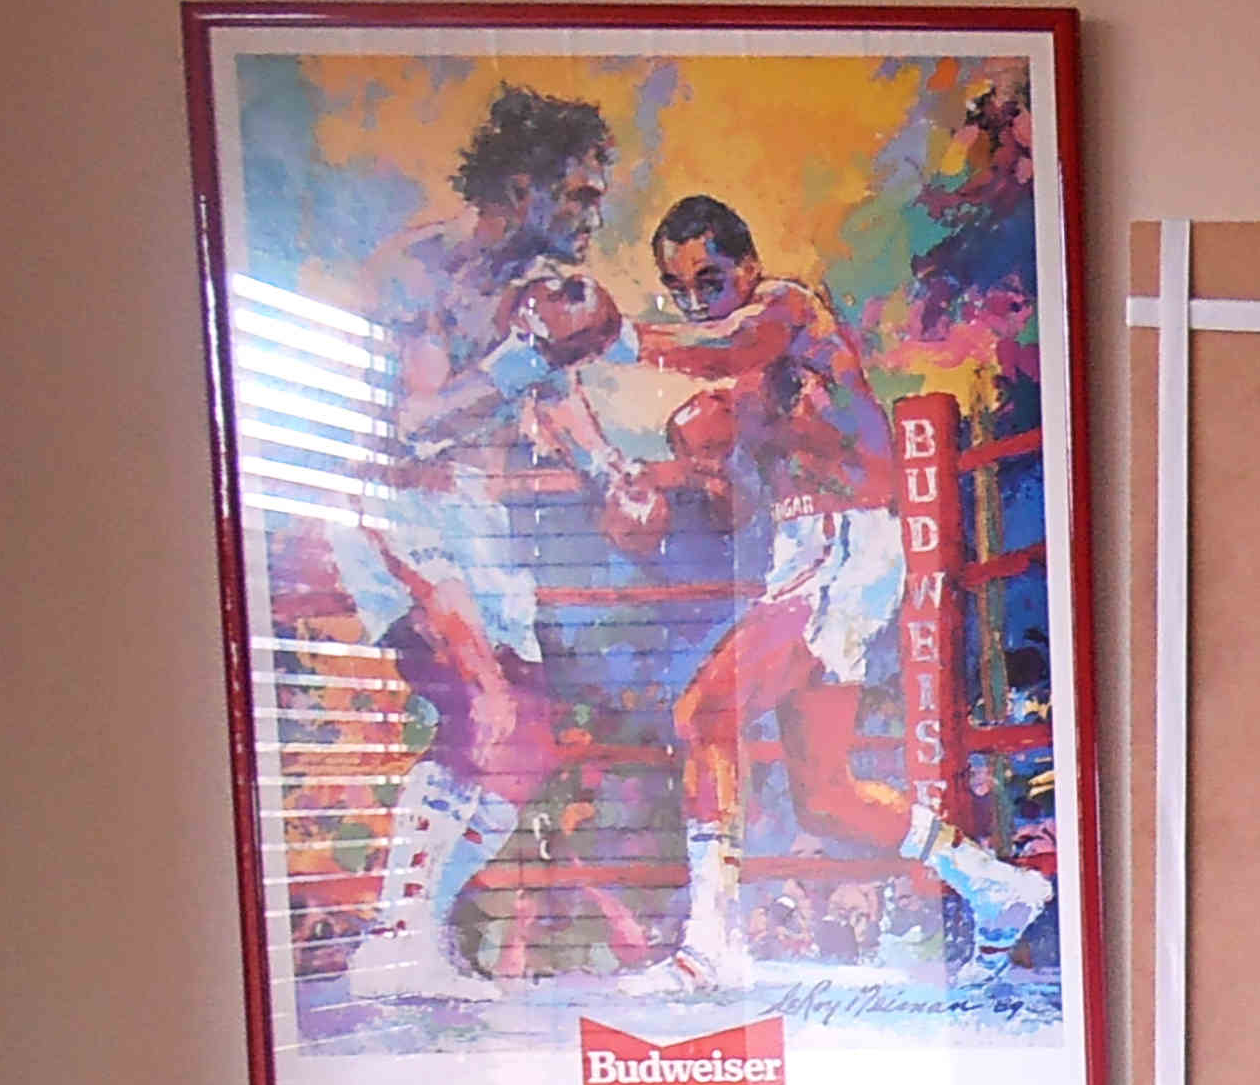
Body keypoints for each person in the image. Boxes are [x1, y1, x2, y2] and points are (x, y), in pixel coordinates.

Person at [613, 193, 1050, 995]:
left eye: (709, 279)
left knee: (704, 715)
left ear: (748, 266)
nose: (695, 301)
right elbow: (734, 501)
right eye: (677, 289)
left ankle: (710, 945)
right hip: (809, 554)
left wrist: (614, 338)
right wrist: (667, 480)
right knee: (824, 796)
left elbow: (729, 344)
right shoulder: (739, 395)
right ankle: (997, 885)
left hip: (846, 544)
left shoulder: (788, 310)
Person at [332, 87, 664, 1001]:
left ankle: (411, 938)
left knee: (526, 747)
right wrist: (526, 358)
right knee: (483, 709)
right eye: (580, 194)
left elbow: (557, 404)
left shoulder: (535, 288)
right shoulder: (422, 270)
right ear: (523, 187)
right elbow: (414, 425)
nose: (593, 214)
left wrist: (613, 476)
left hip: (478, 521)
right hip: (400, 507)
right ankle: (392, 940)